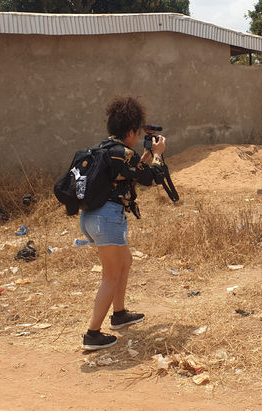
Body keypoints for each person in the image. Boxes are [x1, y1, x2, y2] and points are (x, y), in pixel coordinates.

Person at [79, 96, 166, 351]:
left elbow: (131, 171)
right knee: (110, 275)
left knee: (124, 262)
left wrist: (148, 153)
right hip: (107, 219)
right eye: (137, 135)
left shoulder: (107, 150)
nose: (138, 139)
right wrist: (158, 156)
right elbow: (150, 178)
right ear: (130, 132)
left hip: (92, 217)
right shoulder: (122, 153)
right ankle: (92, 334)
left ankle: (119, 315)